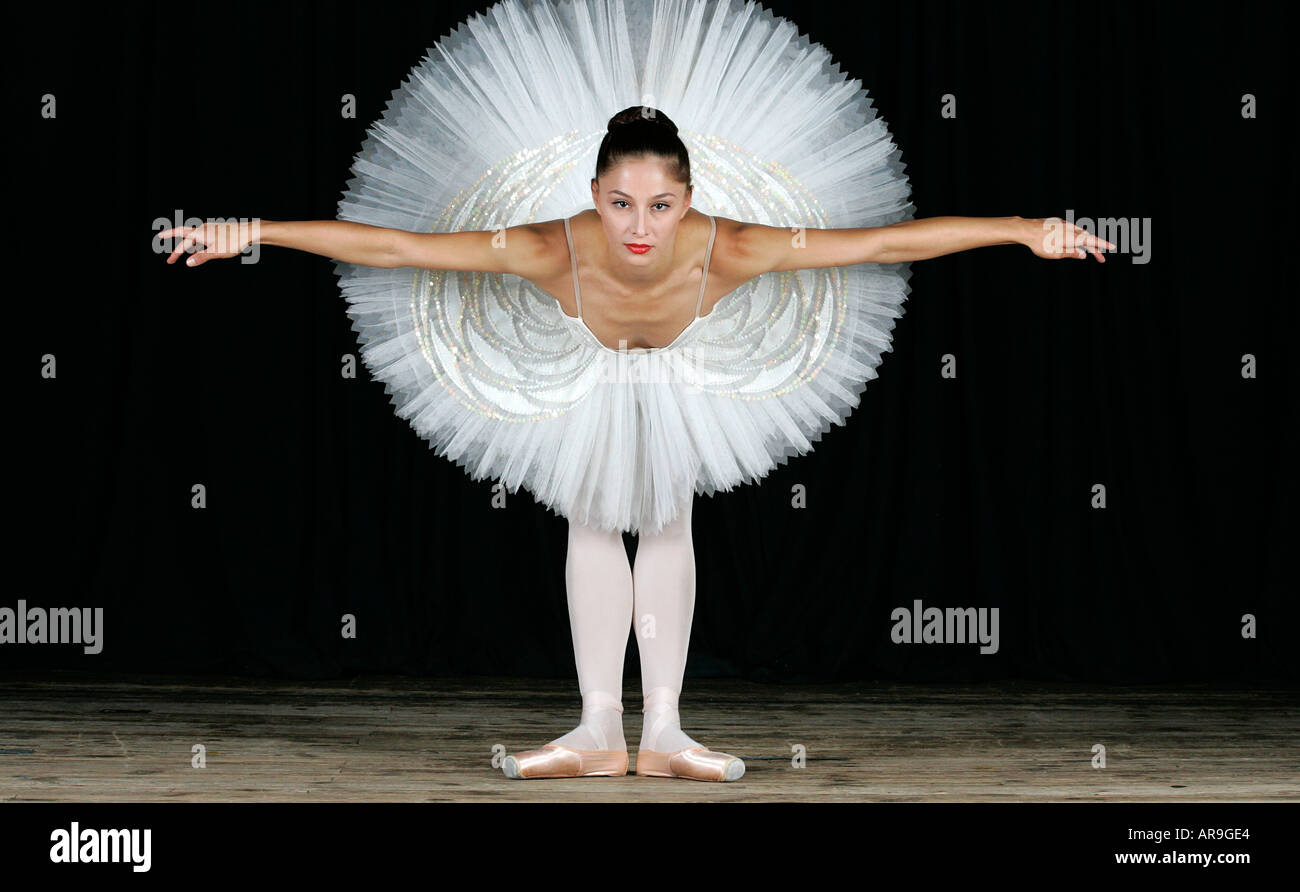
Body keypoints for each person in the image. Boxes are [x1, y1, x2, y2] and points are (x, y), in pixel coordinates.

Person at [157, 108, 1110, 782]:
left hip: (687, 368)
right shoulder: (548, 244)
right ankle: (596, 729)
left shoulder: (731, 246)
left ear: (691, 199)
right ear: (594, 197)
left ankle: (664, 731)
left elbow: (881, 245)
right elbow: (401, 248)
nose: (640, 228)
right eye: (620, 205)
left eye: (659, 206)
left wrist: (1025, 231)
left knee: (664, 520)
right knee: (589, 518)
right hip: (586, 367)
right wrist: (253, 233)